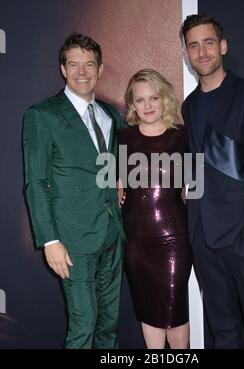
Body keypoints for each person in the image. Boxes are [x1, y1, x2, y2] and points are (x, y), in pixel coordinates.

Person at [181, 13, 244, 348]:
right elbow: (198, 164)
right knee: (224, 333)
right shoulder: (189, 105)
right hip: (205, 241)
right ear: (187, 53)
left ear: (223, 46)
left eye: (208, 42)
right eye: (193, 45)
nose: (202, 51)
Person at [23, 33, 125, 349]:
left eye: (89, 64)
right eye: (74, 65)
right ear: (63, 70)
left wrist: (118, 179)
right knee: (84, 326)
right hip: (72, 240)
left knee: (109, 327)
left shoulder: (112, 115)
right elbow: (35, 182)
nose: (82, 72)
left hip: (113, 234)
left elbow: (111, 164)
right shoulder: (42, 115)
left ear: (101, 68)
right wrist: (50, 240)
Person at [117, 69, 192, 349]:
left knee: (175, 314)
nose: (148, 106)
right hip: (136, 244)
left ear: (165, 99)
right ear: (132, 104)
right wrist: (115, 186)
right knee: (148, 315)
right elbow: (112, 183)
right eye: (140, 100)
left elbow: (195, 188)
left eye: (154, 98)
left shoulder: (183, 137)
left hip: (175, 240)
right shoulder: (122, 139)